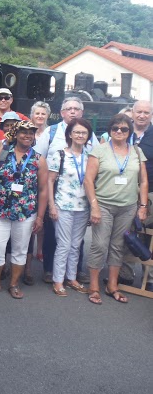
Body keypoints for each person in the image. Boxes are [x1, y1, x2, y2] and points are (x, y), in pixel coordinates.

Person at [0, 121, 48, 299]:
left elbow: (43, 190)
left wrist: (40, 217)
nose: (27, 136)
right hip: (1, 210)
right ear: (16, 134)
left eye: (31, 133)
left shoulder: (39, 159)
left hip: (26, 213)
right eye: (23, 132)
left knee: (20, 249)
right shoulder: (3, 153)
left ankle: (14, 284)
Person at [84, 114, 148, 305]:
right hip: (103, 205)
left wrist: (143, 206)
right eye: (115, 129)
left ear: (130, 131)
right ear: (110, 130)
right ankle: (93, 286)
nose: (119, 132)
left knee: (118, 246)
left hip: (127, 207)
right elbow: (88, 180)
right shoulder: (100, 150)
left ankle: (112, 286)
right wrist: (94, 206)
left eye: (124, 129)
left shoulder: (137, 152)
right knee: (99, 245)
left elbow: (143, 181)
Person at [34, 97, 99, 285]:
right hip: (55, 193)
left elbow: (95, 160)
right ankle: (49, 270)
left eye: (76, 109)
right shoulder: (51, 131)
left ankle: (75, 273)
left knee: (76, 241)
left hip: (81, 199)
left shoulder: (89, 135)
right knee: (52, 234)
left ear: (82, 112)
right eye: (68, 108)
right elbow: (39, 157)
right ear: (62, 113)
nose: (72, 111)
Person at [47, 118, 93, 296]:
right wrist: (52, 205)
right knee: (64, 244)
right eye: (77, 132)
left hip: (83, 206)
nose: (80, 135)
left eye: (84, 132)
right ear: (70, 135)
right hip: (63, 205)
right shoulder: (60, 154)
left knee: (76, 244)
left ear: (88, 135)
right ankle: (58, 280)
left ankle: (72, 277)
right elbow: (50, 181)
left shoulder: (90, 157)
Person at [120, 100, 153, 289]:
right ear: (132, 113)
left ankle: (150, 278)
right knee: (126, 231)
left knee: (149, 234)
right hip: (125, 190)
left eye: (146, 113)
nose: (142, 115)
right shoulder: (122, 131)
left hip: (151, 192)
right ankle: (125, 273)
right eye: (139, 112)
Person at [23, 101, 52, 281]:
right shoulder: (25, 130)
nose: (40, 117)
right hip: (23, 180)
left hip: (41, 177)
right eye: (37, 113)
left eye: (43, 114)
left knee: (40, 220)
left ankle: (39, 251)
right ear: (32, 115)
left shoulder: (51, 133)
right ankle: (25, 264)